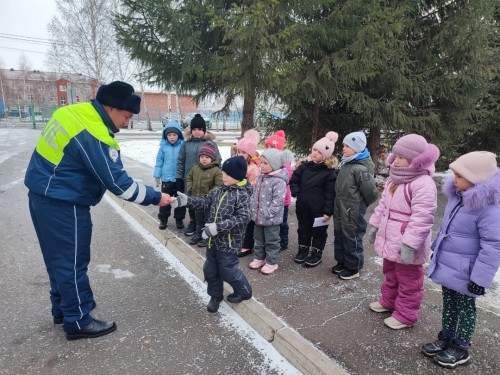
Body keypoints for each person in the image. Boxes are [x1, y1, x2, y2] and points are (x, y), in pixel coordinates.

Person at [24, 81, 170, 340]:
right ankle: (78, 321)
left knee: (56, 260)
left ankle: (64, 308)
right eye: (125, 116)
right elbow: (120, 185)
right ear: (110, 108)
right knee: (72, 262)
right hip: (64, 203)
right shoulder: (94, 133)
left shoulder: (70, 112)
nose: (126, 122)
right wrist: (157, 197)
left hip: (41, 196)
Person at [422, 151, 500, 369]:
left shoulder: (489, 208)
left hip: (468, 272)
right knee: (449, 304)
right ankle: (446, 337)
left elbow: (493, 247)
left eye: (459, 176)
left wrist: (480, 279)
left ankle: (461, 346)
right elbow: (446, 228)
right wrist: (436, 249)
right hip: (449, 265)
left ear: (476, 178)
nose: (453, 179)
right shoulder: (458, 197)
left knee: (465, 308)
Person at [367, 134, 440, 330]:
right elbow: (382, 206)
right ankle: (389, 301)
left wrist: (409, 244)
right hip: (389, 238)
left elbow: (422, 218)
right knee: (390, 273)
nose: (395, 160)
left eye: (401, 157)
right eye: (395, 156)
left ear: (415, 159)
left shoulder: (423, 183)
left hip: (406, 241)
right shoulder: (394, 179)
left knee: (409, 280)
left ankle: (406, 314)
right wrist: (374, 226)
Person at [169, 156, 253, 313]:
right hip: (212, 241)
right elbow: (204, 203)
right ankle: (215, 296)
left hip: (229, 243)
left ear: (239, 176)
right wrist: (186, 201)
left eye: (229, 174)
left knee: (227, 270)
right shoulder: (218, 191)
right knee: (210, 270)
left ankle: (244, 291)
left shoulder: (242, 195)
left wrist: (218, 227)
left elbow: (243, 219)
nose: (224, 176)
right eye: (224, 173)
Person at [332, 131, 378, 280]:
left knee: (352, 236)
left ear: (357, 148)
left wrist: (360, 204)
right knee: (339, 234)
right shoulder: (346, 163)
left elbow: (371, 192)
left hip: (353, 208)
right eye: (344, 145)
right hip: (341, 206)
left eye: (347, 146)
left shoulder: (361, 168)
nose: (343, 148)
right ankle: (342, 261)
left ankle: (353, 267)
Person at [290, 132, 338, 267]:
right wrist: (296, 193)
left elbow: (330, 194)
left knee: (318, 232)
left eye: (319, 151)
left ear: (326, 155)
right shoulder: (304, 167)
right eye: (314, 149)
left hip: (319, 210)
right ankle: (303, 250)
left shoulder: (329, 173)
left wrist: (328, 212)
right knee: (303, 228)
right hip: (303, 206)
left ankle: (316, 253)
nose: (315, 152)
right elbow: (294, 180)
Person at [176, 114, 221, 236]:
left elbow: (218, 161)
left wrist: (216, 177)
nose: (197, 132)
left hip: (207, 181)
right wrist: (179, 177)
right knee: (191, 201)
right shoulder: (186, 144)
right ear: (191, 131)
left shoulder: (210, 144)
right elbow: (180, 161)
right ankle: (193, 222)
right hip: (190, 180)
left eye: (200, 129)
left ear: (204, 131)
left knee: (205, 203)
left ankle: (204, 225)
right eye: (194, 129)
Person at [248, 148, 290, 274]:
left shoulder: (278, 181)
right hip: (258, 217)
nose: (262, 165)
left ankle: (272, 262)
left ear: (275, 164)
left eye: (266, 163)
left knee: (272, 241)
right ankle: (259, 257)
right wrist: (252, 208)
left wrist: (267, 213)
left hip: (271, 219)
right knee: (259, 239)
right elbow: (254, 194)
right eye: (261, 163)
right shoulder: (261, 177)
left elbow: (278, 201)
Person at [185, 141, 223, 247]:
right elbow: (189, 178)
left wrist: (210, 195)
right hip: (197, 201)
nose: (204, 159)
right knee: (198, 219)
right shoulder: (195, 168)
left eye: (207, 157)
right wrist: (189, 187)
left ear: (212, 158)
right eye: (202, 157)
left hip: (209, 203)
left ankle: (206, 238)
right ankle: (198, 235)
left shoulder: (216, 170)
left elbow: (219, 185)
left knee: (208, 220)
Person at [153, 119, 185, 230]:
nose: (172, 137)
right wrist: (157, 175)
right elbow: (159, 162)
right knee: (165, 200)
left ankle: (179, 219)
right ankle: (163, 219)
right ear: (166, 136)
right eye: (170, 135)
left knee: (179, 201)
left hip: (179, 179)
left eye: (174, 135)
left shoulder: (182, 146)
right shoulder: (163, 147)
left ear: (178, 135)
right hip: (167, 179)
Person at [264, 130, 293, 252]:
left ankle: (283, 242)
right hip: (269, 198)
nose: (268, 149)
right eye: (267, 146)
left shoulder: (284, 164)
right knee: (272, 222)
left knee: (282, 222)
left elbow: (288, 177)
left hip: (282, 200)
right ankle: (272, 240)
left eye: (271, 146)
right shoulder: (266, 162)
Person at [235, 129, 261, 258]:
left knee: (248, 223)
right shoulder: (239, 164)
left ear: (250, 153)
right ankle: (241, 241)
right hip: (238, 199)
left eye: (243, 152)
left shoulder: (253, 168)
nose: (240, 154)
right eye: (239, 151)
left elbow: (253, 186)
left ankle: (247, 245)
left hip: (248, 200)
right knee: (240, 222)